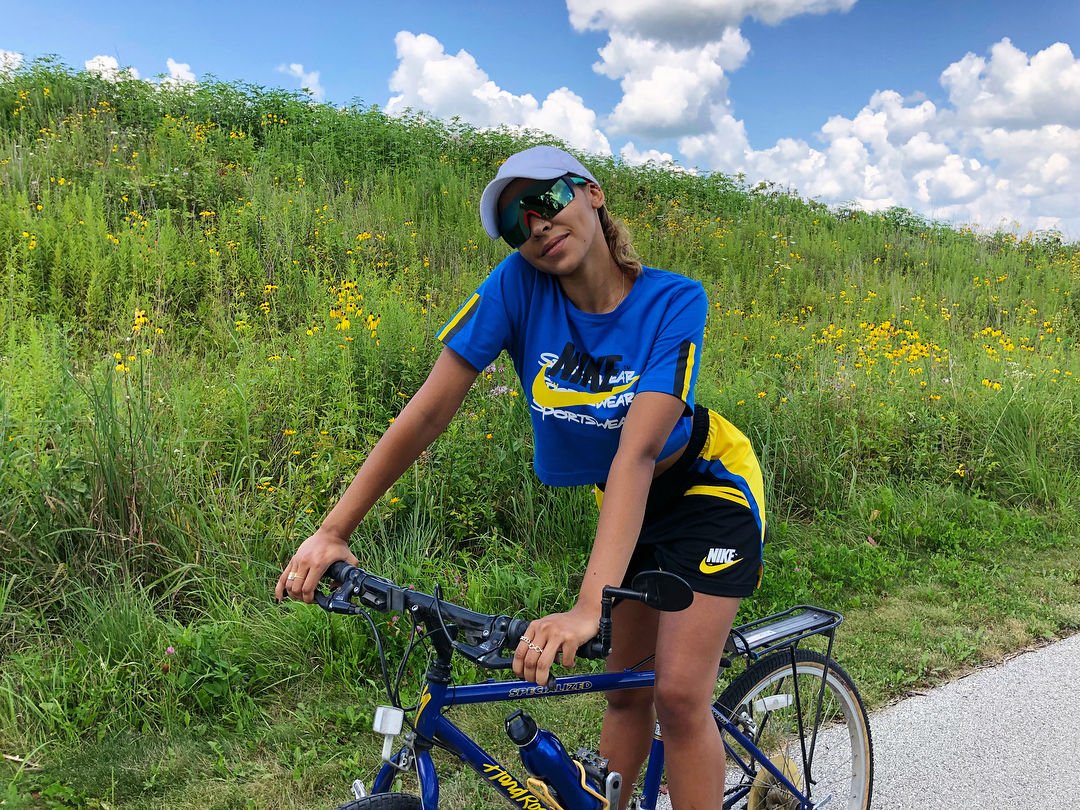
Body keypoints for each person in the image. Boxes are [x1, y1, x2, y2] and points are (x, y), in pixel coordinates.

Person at [276, 145, 766, 809]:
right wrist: (333, 531)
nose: (536, 225)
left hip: (706, 489)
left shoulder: (674, 300)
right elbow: (428, 412)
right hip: (628, 505)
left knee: (678, 696)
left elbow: (636, 451)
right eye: (516, 223)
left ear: (592, 193)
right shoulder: (517, 285)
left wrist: (589, 608)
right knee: (627, 694)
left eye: (546, 200)